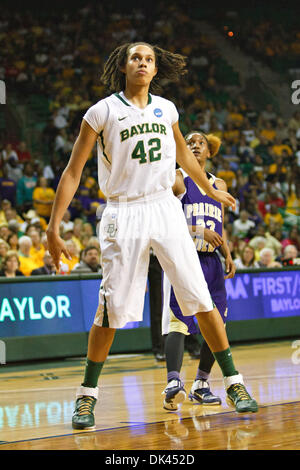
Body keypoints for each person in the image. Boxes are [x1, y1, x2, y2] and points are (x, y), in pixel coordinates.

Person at [46, 42, 257, 430]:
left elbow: (185, 156)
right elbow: (73, 171)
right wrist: (53, 226)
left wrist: (209, 190)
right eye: (135, 58)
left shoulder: (167, 109)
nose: (142, 63)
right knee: (110, 308)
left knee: (199, 295)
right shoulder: (102, 111)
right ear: (123, 66)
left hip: (164, 207)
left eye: (149, 59)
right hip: (123, 211)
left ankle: (234, 382)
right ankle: (87, 396)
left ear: (155, 69)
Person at [161, 131, 236, 410]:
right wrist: (197, 230)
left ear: (210, 152)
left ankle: (201, 384)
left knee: (219, 325)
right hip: (185, 256)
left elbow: (220, 225)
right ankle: (172, 382)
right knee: (179, 322)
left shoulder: (220, 183)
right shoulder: (177, 178)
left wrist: (227, 253)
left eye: (200, 143)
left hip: (212, 262)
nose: (194, 146)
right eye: (189, 142)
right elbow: (165, 221)